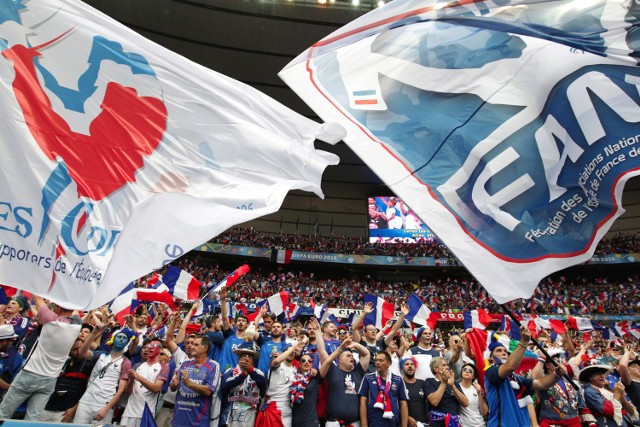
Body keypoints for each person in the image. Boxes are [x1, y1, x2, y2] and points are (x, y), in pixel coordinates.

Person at [0, 295, 82, 420]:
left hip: (30, 373)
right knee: (33, 418)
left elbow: (37, 298)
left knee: (3, 413)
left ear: (58, 308)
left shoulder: (51, 319)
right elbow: (74, 311)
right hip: (50, 379)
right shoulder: (77, 325)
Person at [485, 327, 566, 427]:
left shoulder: (517, 379)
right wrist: (524, 341)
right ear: (490, 358)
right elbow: (510, 366)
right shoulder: (490, 372)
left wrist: (556, 375)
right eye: (498, 350)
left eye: (505, 351)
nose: (503, 353)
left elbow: (542, 384)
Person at [73, 323, 132, 424]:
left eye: (124, 338)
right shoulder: (101, 354)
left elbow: (121, 389)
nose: (121, 339)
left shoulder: (126, 362)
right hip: (86, 401)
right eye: (119, 337)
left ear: (127, 343)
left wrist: (107, 408)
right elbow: (82, 352)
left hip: (104, 404)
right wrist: (94, 333)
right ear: (113, 339)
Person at [319, 335, 370, 427]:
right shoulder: (333, 370)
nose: (352, 358)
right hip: (334, 423)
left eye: (352, 356)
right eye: (348, 356)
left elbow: (366, 354)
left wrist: (355, 345)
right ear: (340, 360)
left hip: (355, 423)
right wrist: (318, 331)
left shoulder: (358, 372)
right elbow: (322, 352)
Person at [40, 338, 95, 423]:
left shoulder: (88, 365)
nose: (79, 352)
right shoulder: (62, 363)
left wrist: (74, 409)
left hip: (67, 411)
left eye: (81, 348)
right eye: (75, 349)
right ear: (69, 350)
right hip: (48, 407)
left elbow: (89, 391)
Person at [170, 336, 220, 427]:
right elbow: (173, 388)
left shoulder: (213, 366)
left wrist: (189, 383)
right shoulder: (185, 364)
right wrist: (174, 384)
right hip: (178, 419)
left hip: (198, 420)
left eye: (196, 344)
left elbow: (208, 391)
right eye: (192, 344)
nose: (192, 347)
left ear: (205, 348)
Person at [534, 352, 594, 427]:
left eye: (560, 361)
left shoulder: (569, 380)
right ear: (547, 365)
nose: (560, 364)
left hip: (574, 424)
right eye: (556, 361)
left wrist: (591, 423)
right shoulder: (543, 381)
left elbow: (582, 406)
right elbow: (534, 378)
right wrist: (542, 359)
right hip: (552, 424)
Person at [121, 340, 170, 427]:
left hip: (146, 414)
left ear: (160, 350)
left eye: (154, 345)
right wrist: (131, 380)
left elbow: (156, 389)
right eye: (149, 346)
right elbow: (128, 391)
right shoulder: (137, 366)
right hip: (129, 412)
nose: (150, 347)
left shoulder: (163, 367)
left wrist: (139, 378)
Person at [219, 341, 268, 427]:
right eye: (244, 355)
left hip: (250, 414)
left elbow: (264, 385)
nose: (246, 358)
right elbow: (224, 386)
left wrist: (250, 371)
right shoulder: (230, 372)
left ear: (253, 360)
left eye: (249, 356)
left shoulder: (258, 373)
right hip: (231, 414)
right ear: (239, 358)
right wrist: (243, 375)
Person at [359, 351, 409, 427]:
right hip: (374, 423)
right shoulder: (368, 378)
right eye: (376, 360)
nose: (377, 363)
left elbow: (403, 404)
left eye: (381, 360)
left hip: (393, 423)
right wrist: (364, 425)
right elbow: (363, 402)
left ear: (388, 363)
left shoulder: (398, 379)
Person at [425, 356, 468, 427]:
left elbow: (465, 403)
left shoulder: (454, 382)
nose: (447, 367)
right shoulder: (429, 381)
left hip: (454, 423)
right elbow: (434, 402)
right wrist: (444, 382)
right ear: (436, 369)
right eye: (444, 365)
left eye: (447, 365)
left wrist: (452, 386)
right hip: (437, 423)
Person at [291, 349, 322, 427]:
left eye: (309, 361)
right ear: (299, 364)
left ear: (312, 364)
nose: (306, 362)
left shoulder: (315, 377)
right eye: (303, 360)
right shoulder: (293, 378)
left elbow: (327, 362)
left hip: (310, 421)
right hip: (296, 421)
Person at [401, 358, 428, 427]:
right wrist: (407, 417)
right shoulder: (400, 384)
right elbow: (396, 405)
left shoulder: (422, 383)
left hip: (423, 423)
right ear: (402, 369)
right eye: (407, 364)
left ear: (415, 368)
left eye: (412, 364)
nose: (410, 366)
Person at [458, 363, 487, 427]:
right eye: (464, 369)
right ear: (461, 373)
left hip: (480, 424)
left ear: (473, 376)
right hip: (464, 425)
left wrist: (479, 393)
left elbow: (484, 412)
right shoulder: (456, 388)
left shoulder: (477, 389)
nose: (467, 371)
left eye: (470, 371)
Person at [0, 325, 22, 403]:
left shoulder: (16, 358)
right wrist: (12, 389)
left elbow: (15, 379)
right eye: (11, 341)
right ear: (3, 341)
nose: (12, 343)